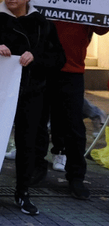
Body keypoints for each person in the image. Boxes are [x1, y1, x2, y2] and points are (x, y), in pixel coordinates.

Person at [0, 0, 65, 216]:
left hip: (31, 93)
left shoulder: (43, 25)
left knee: (27, 145)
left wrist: (36, 58)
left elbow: (58, 59)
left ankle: (22, 193)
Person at [35, 21, 108, 199]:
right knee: (37, 121)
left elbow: (101, 28)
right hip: (41, 66)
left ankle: (76, 177)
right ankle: (35, 168)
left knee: (74, 127)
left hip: (72, 69)